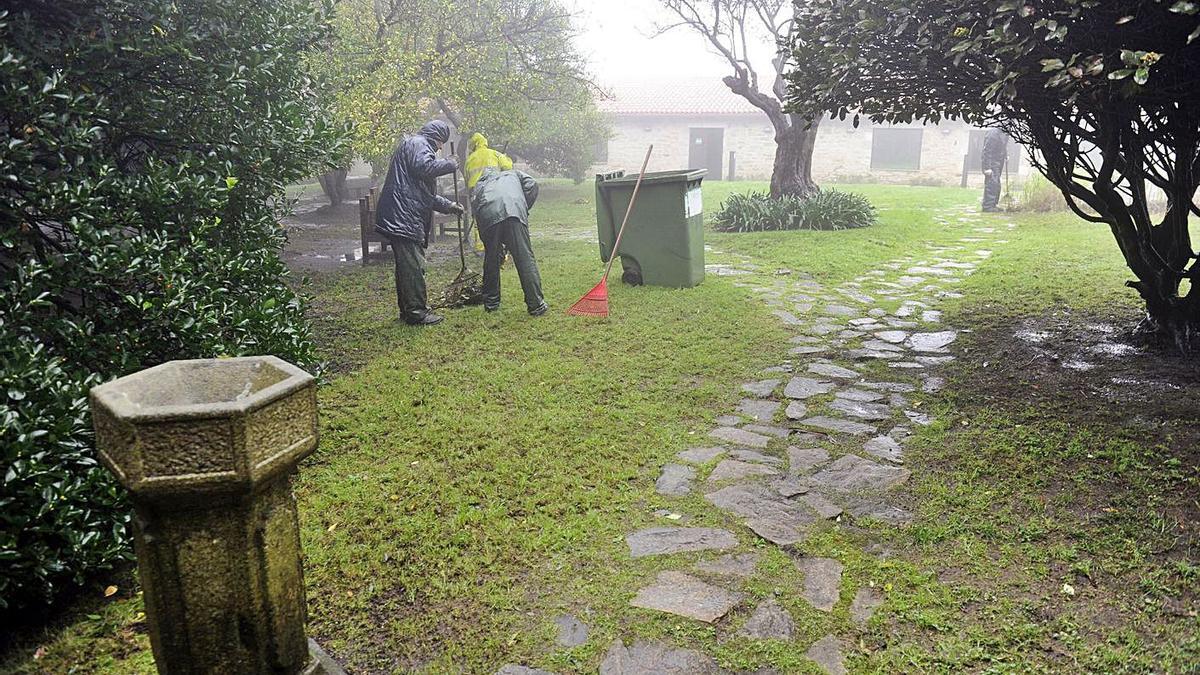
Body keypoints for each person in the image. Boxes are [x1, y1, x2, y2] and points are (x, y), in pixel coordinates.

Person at [375, 120, 464, 326]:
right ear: (434, 136)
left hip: (402, 214)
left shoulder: (414, 145)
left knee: (406, 268)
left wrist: (449, 205)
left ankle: (408, 311)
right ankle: (417, 313)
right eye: (441, 142)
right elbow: (423, 166)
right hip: (403, 216)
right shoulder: (418, 143)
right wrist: (450, 164)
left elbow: (424, 194)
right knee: (414, 267)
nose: (441, 147)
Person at [471, 167, 547, 315]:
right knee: (525, 259)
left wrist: (488, 241)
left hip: (489, 218)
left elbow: (476, 209)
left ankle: (491, 304)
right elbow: (532, 184)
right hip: (514, 214)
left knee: (491, 261)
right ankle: (536, 305)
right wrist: (522, 205)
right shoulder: (513, 173)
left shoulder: (480, 184)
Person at [981, 128, 1009, 213]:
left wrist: (1006, 155)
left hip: (998, 161)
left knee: (996, 184)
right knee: (992, 183)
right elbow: (987, 151)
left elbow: (1003, 146)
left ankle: (993, 205)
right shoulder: (993, 134)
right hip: (991, 161)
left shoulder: (1004, 133)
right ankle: (988, 206)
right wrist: (987, 167)